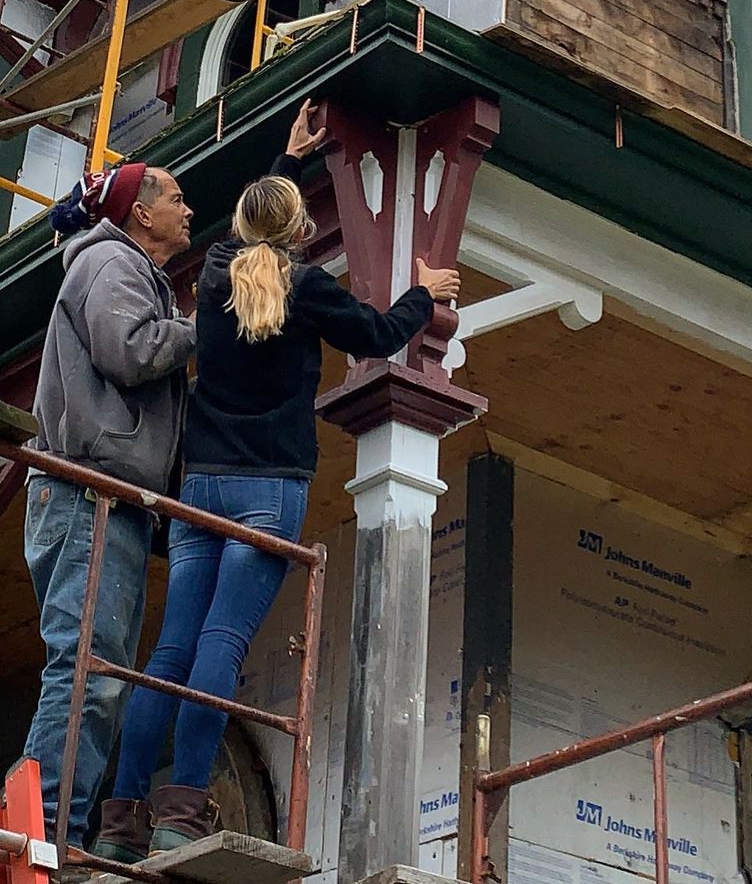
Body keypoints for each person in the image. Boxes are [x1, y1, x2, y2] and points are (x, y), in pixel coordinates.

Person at [93, 101, 460, 863]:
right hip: (269, 488)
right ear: (300, 232)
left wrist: (287, 161)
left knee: (171, 653)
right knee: (222, 648)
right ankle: (182, 810)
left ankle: (122, 816)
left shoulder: (222, 270)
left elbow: (252, 226)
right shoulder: (303, 286)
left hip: (203, 489)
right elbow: (384, 335)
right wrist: (426, 289)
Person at [23, 161, 196, 858]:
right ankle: (40, 834)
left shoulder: (123, 269)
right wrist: (200, 330)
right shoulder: (113, 266)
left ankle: (43, 829)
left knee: (95, 676)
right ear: (142, 215)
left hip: (98, 497)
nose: (190, 209)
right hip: (87, 495)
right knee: (86, 674)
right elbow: (129, 351)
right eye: (178, 199)